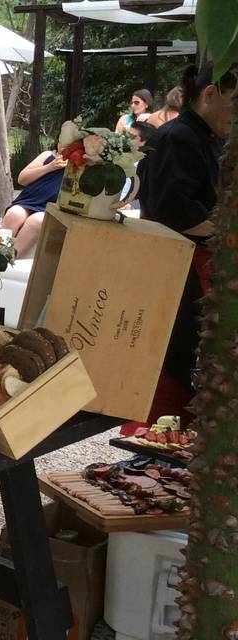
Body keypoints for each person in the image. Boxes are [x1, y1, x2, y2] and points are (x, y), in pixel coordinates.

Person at [135, 60, 236, 430]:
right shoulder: (176, 137)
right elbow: (173, 211)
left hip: (206, 265)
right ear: (210, 94)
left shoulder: (215, 138)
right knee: (176, 363)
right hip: (179, 270)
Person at [0, 145, 68, 256]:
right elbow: (22, 179)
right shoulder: (48, 155)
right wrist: (50, 167)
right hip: (30, 200)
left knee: (37, 220)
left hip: (50, 207)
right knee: (14, 213)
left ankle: (9, 258)